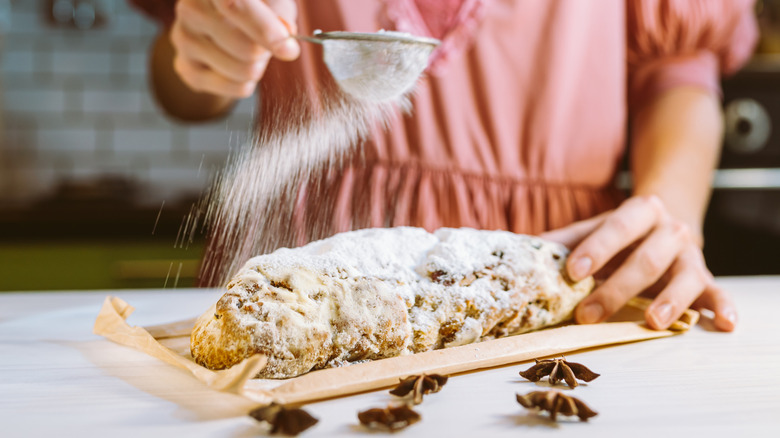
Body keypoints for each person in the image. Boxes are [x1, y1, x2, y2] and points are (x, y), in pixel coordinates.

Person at [131, 0, 758, 332]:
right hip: (305, 264)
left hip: (547, 270)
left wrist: (666, 216)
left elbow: (676, 74)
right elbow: (181, 86)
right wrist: (204, 55)